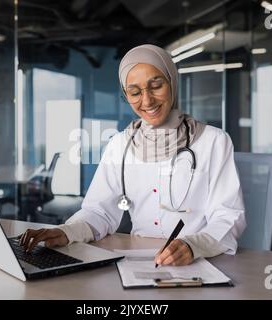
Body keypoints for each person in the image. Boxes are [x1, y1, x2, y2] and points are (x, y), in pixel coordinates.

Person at [20, 44, 246, 266]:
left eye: (156, 85)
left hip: (199, 262)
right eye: (135, 92)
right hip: (138, 262)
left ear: (172, 83)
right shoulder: (120, 144)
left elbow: (228, 216)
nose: (147, 101)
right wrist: (67, 232)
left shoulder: (214, 141)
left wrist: (193, 246)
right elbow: (99, 211)